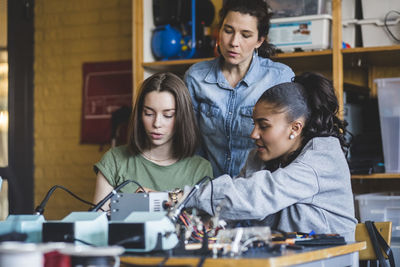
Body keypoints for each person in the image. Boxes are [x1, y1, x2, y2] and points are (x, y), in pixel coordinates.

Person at [184, 72, 357, 241]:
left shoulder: (322, 157)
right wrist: (207, 223)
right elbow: (237, 202)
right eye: (254, 124)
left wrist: (182, 197)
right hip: (286, 256)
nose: (253, 134)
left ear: (295, 128)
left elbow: (255, 197)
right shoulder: (259, 158)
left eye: (264, 126)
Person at [184, 0, 294, 177]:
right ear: (219, 31)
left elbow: (289, 144)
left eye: (246, 35)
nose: (234, 42)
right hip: (209, 187)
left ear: (259, 40)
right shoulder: (196, 77)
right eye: (228, 31)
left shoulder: (279, 78)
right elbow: (191, 142)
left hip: (256, 189)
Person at [93, 72, 213, 210]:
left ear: (182, 117)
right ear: (139, 115)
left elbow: (203, 227)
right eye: (149, 114)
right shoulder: (114, 160)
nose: (157, 123)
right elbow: (97, 224)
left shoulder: (200, 169)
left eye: (168, 115)